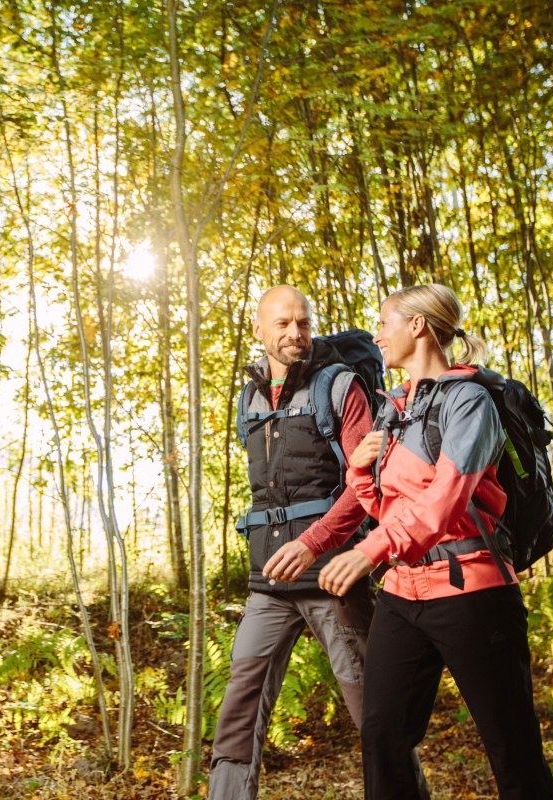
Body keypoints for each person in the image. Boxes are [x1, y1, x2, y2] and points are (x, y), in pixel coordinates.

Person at [316, 283, 553, 800]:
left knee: (512, 748)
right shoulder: (394, 407)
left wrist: (370, 550)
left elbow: (447, 499)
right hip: (404, 596)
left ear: (418, 326)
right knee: (383, 736)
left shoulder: (469, 402)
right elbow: (387, 506)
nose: (378, 336)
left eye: (385, 324)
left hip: (474, 595)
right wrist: (360, 472)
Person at [208, 285, 376, 800]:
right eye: (282, 324)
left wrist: (317, 542)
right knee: (239, 707)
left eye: (302, 323)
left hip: (332, 575)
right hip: (270, 580)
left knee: (372, 712)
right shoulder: (249, 396)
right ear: (259, 329)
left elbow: (365, 486)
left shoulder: (340, 386)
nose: (294, 334)